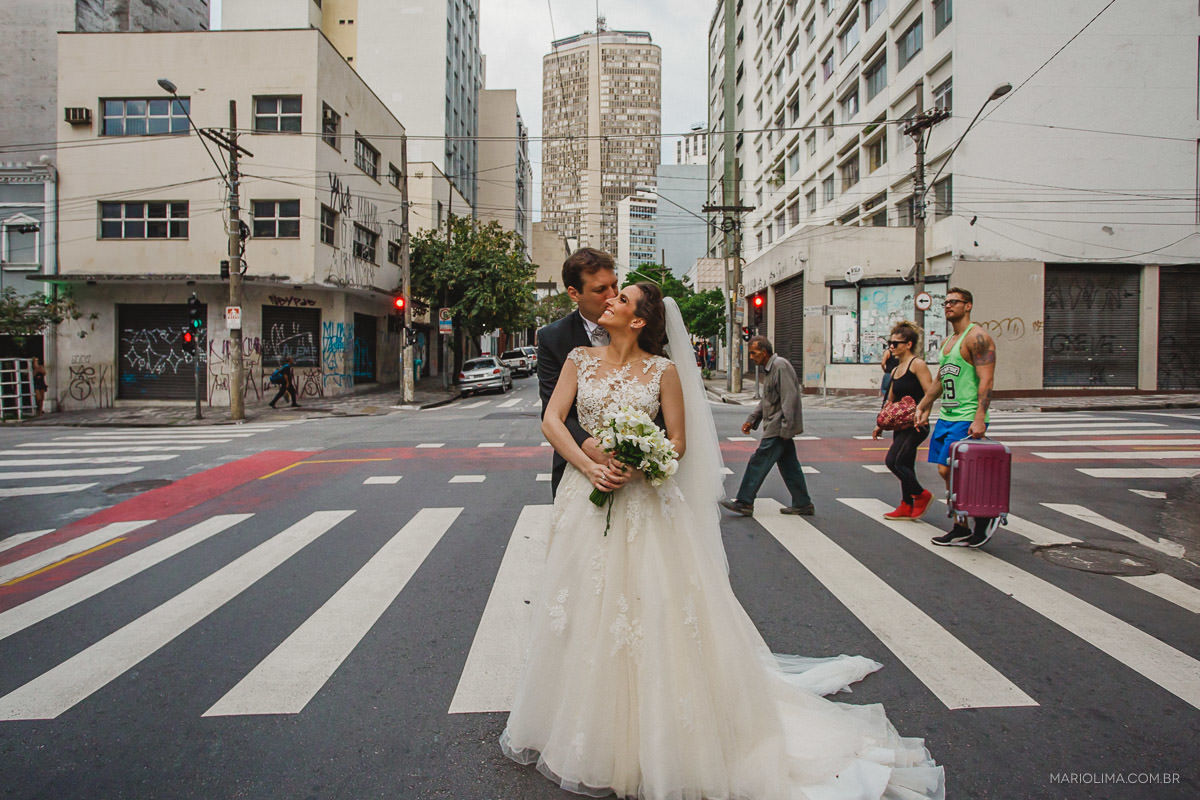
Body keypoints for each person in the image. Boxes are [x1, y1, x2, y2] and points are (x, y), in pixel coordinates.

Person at [502, 283, 944, 800]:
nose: (611, 301)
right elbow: (553, 420)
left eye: (622, 299)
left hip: (644, 503)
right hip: (586, 496)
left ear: (640, 320)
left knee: (653, 608)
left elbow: (678, 443)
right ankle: (584, 721)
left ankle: (658, 732)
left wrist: (641, 461)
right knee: (581, 605)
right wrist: (590, 464)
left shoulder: (663, 372)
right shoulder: (580, 357)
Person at [536, 248, 628, 497]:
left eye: (615, 285)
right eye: (600, 290)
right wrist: (590, 448)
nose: (612, 296)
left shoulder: (640, 326)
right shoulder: (552, 338)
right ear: (574, 294)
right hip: (576, 466)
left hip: (635, 470)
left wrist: (639, 454)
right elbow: (553, 411)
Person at [915, 287, 997, 547]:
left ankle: (983, 517)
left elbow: (986, 380)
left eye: (954, 302)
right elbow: (942, 376)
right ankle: (961, 525)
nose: (948, 306)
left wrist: (980, 417)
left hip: (966, 416)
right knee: (946, 471)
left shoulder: (978, 338)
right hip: (947, 416)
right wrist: (925, 404)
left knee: (953, 469)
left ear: (968, 305)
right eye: (946, 302)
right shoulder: (950, 341)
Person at [719, 335, 813, 516]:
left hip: (778, 427)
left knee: (758, 461)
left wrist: (786, 428)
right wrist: (752, 419)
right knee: (789, 466)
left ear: (764, 352)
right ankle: (803, 503)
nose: (752, 357)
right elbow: (767, 400)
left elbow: (789, 399)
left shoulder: (780, 367)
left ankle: (744, 501)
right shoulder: (770, 370)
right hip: (776, 426)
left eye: (754, 353)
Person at [873, 321, 935, 519]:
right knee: (906, 464)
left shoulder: (917, 364)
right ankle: (906, 505)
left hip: (916, 424)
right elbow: (890, 399)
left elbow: (930, 392)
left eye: (896, 343)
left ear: (908, 344)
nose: (891, 347)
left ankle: (921, 495)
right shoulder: (895, 370)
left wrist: (924, 414)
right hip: (901, 423)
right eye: (890, 343)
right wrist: (880, 423)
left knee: (895, 461)